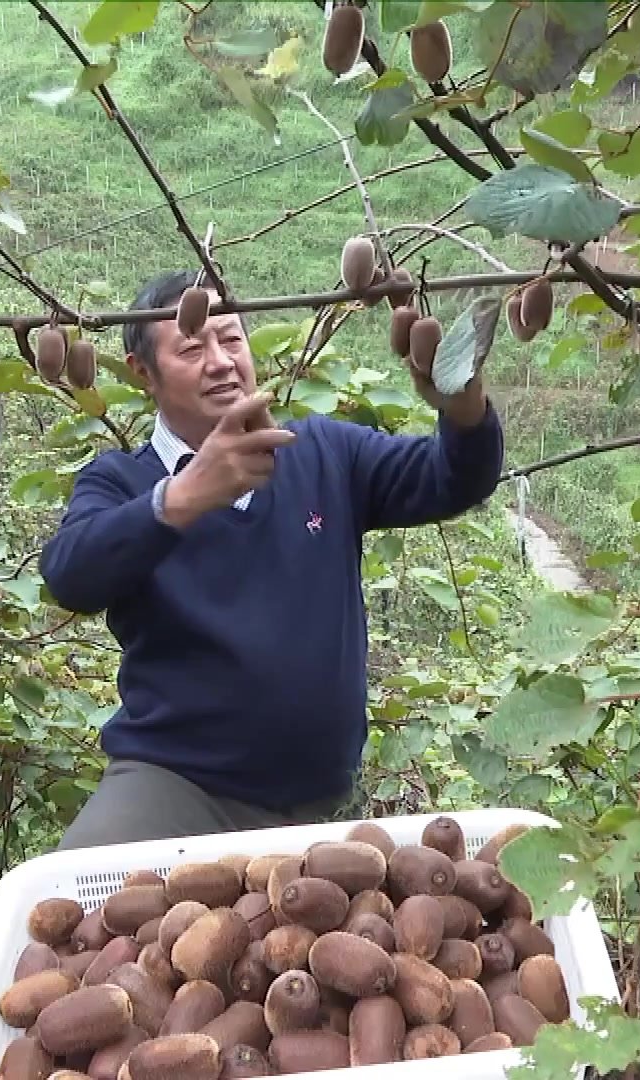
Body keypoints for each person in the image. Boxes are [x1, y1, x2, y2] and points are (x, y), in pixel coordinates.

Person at [39, 270, 505, 850]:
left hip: (316, 803)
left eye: (231, 340)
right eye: (191, 347)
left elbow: (452, 480)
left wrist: (463, 409)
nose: (221, 361)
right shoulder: (121, 482)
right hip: (176, 790)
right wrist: (183, 496)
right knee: (81, 901)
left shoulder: (323, 453)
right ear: (143, 375)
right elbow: (69, 574)